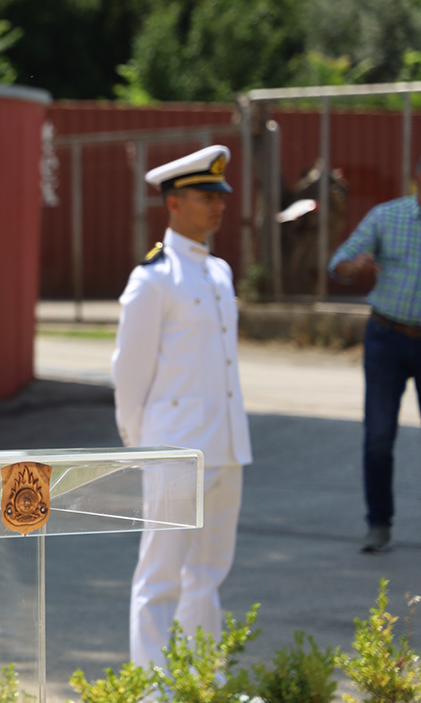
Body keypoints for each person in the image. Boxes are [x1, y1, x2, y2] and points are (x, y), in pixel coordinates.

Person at [111, 145, 252, 670]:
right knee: (161, 576)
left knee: (208, 573)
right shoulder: (154, 278)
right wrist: (142, 445)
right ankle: (154, 688)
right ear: (173, 202)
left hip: (226, 446)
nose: (218, 205)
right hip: (175, 448)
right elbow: (129, 372)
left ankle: (199, 681)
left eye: (220, 196)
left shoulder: (219, 272)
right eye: (205, 196)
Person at [328, 165, 421, 553]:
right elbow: (340, 262)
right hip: (387, 337)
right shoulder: (387, 216)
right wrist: (354, 266)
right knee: (379, 438)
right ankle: (379, 524)